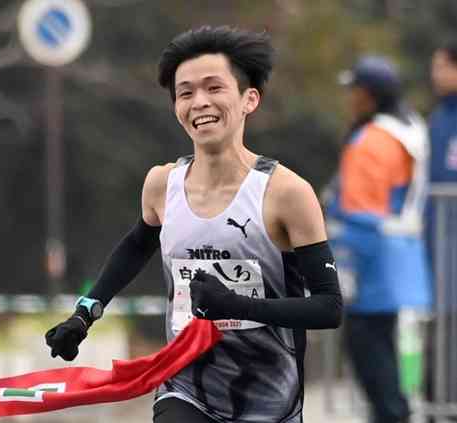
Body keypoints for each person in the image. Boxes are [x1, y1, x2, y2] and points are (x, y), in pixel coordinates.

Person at [45, 25, 343, 423]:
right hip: (186, 390)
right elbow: (135, 247)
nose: (199, 102)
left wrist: (237, 306)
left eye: (214, 88)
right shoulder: (160, 185)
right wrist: (83, 315)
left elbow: (329, 307)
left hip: (270, 402)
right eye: (185, 92)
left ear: (249, 99)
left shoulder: (286, 193)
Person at [325, 55, 432, 423]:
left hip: (372, 261)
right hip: (397, 257)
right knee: (380, 350)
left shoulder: (374, 140)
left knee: (370, 354)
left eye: (353, 90)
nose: (349, 98)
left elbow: (359, 207)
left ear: (368, 95)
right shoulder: (409, 126)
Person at [424, 38, 457, 416]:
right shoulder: (438, 117)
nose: (435, 74)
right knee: (443, 333)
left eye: (440, 65)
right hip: (440, 252)